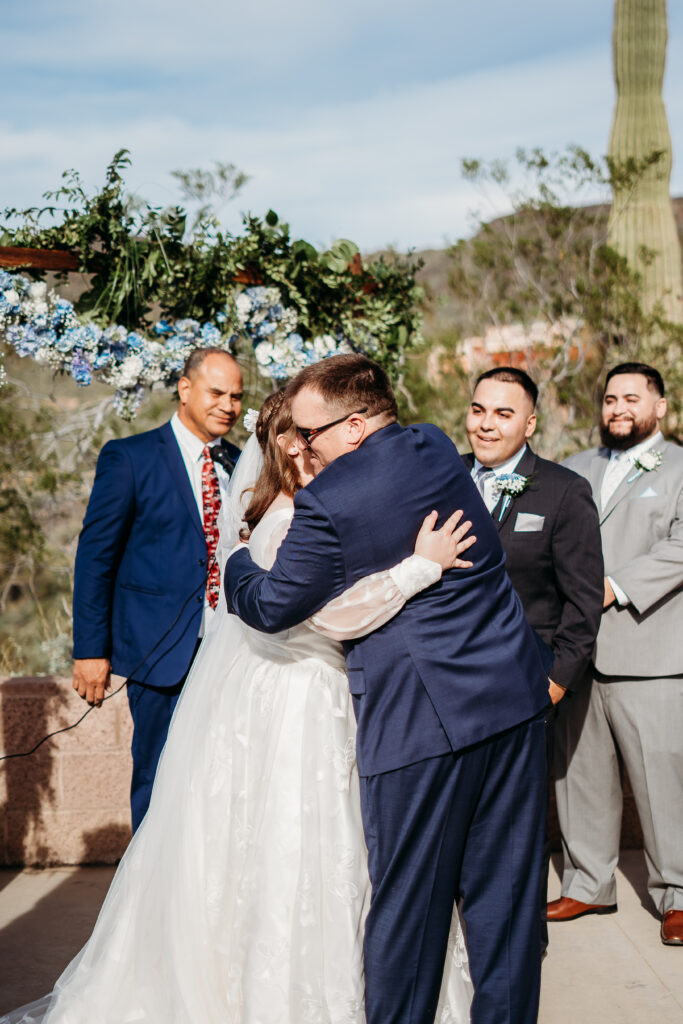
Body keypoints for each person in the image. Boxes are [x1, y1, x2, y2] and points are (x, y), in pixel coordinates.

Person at [2, 390, 474, 1024]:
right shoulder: (289, 518)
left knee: (292, 845)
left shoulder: (285, 511)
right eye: (318, 434)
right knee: (294, 841)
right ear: (290, 445)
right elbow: (321, 616)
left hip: (286, 689)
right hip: (298, 698)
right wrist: (419, 569)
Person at [226, 354, 552, 1024]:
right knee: (507, 907)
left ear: (351, 427)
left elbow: (272, 606)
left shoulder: (328, 503)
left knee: (408, 910)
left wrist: (235, 565)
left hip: (421, 724)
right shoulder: (433, 443)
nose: (303, 446)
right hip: (512, 702)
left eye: (310, 433)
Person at [461, 365, 604, 952]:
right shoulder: (443, 478)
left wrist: (555, 682)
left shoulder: (563, 490)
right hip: (451, 679)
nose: (486, 425)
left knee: (514, 822)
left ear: (530, 423)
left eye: (502, 414)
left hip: (526, 685)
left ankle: (515, 941)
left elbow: (583, 599)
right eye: (477, 410)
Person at [72, 347, 243, 831]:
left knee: (223, 777)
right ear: (185, 388)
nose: (227, 405)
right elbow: (95, 558)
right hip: (160, 652)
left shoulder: (241, 462)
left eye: (236, 396)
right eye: (216, 392)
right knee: (159, 775)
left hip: (231, 649)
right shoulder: (130, 458)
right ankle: (150, 899)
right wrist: (90, 649)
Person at [549, 362, 683, 946]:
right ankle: (587, 882)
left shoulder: (679, 466)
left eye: (632, 397)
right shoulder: (574, 467)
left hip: (649, 647)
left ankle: (677, 894)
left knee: (662, 779)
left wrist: (612, 585)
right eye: (609, 398)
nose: (617, 408)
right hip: (574, 652)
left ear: (659, 407)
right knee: (577, 772)